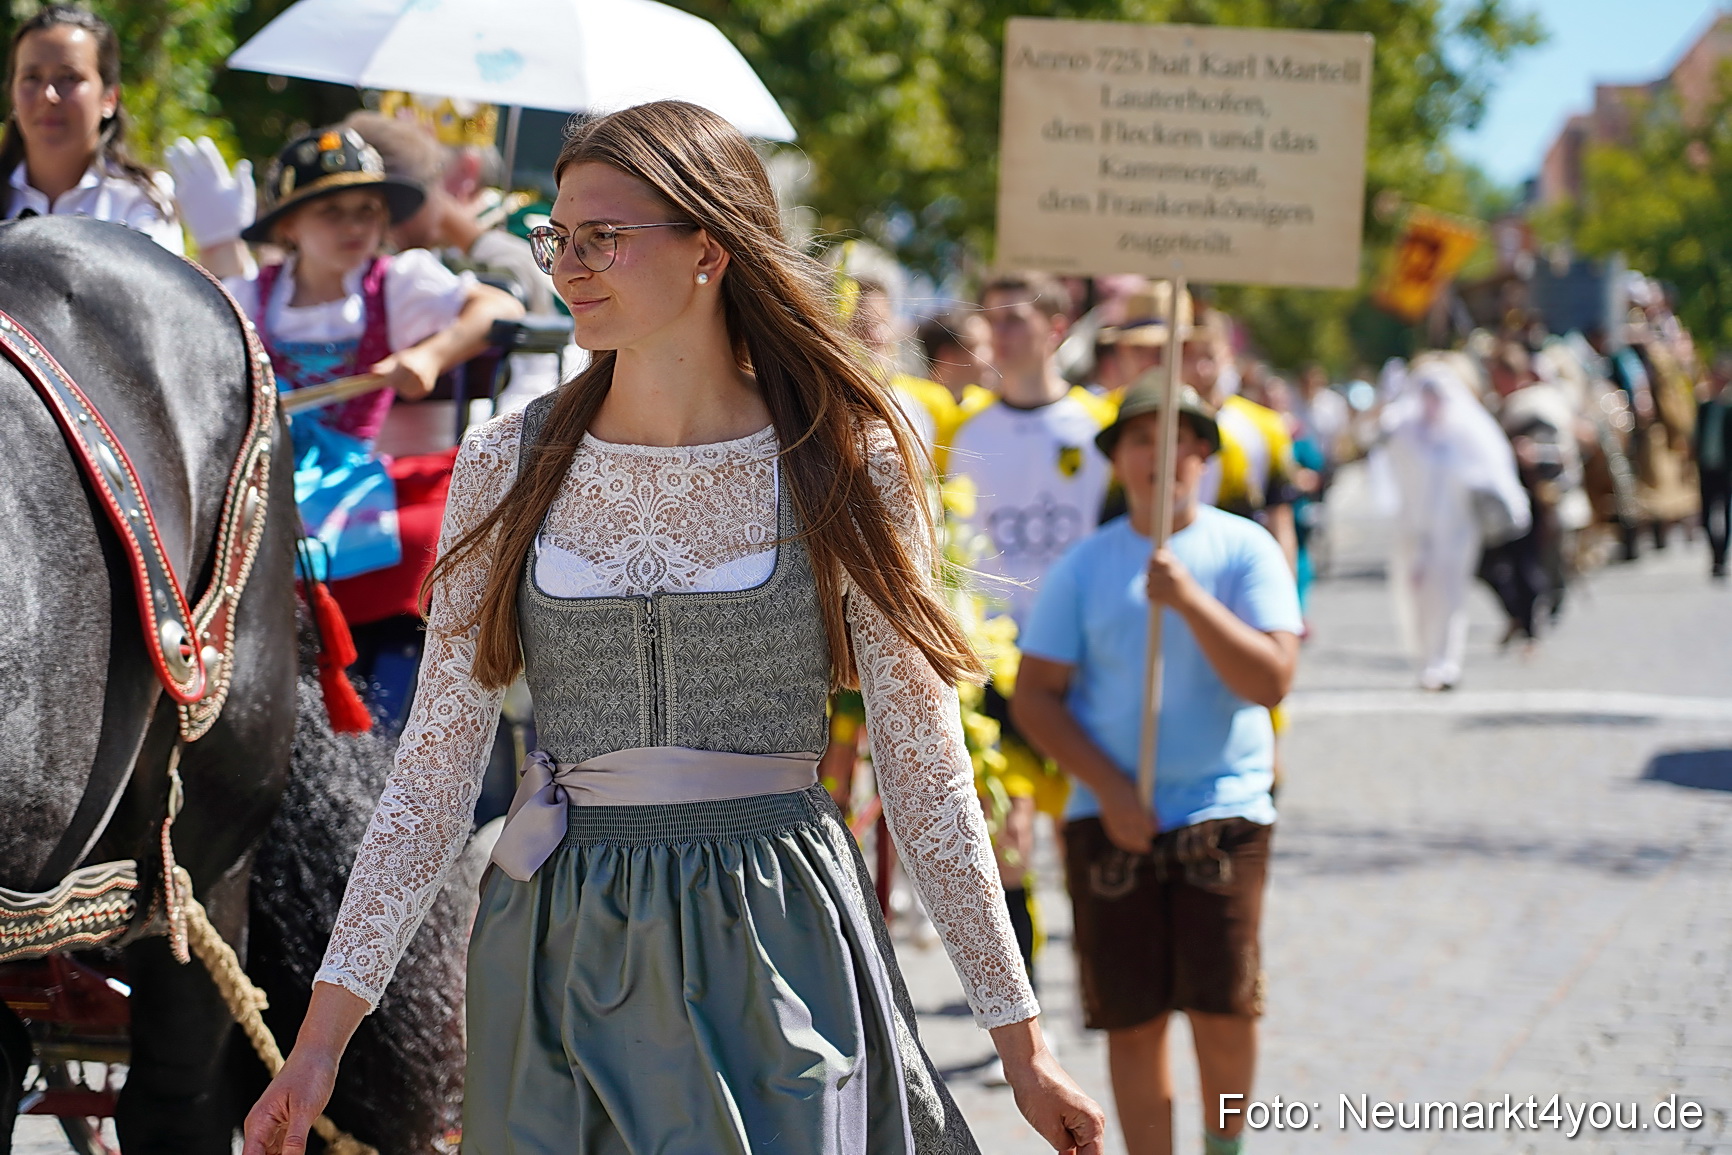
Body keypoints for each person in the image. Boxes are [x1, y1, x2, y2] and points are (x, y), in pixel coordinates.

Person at [241, 101, 1103, 1155]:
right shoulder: (505, 463)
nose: (568, 267)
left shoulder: (843, 457)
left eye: (603, 237)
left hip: (773, 935)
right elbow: (431, 773)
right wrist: (321, 1042)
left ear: (708, 249)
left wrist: (1022, 1044)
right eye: (558, 238)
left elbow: (924, 770)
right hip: (558, 944)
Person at [1011, 379, 1300, 1155]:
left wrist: (1190, 600)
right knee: (1132, 1020)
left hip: (1224, 808)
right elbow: (1035, 697)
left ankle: (1224, 1146)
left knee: (1224, 1005)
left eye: (1177, 437)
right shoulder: (1083, 566)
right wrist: (1108, 787)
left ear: (1203, 454)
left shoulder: (1245, 549)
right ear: (1118, 459)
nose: (1159, 454)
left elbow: (1272, 680)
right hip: (1109, 819)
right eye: (1141, 438)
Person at [950, 270, 1116, 982]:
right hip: (1001, 664)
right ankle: (1026, 997)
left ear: (1056, 327)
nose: (1001, 335)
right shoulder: (969, 433)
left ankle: (1103, 976)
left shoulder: (1101, 427)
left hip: (1086, 658)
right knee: (1007, 837)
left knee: (1085, 831)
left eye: (1016, 319)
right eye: (993, 320)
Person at [1381, 357, 1530, 690]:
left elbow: (1493, 471)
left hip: (1456, 531)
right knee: (1418, 596)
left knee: (1450, 595)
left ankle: (1446, 662)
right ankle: (1426, 658)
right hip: (1414, 531)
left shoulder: (1467, 429)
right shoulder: (1407, 428)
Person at [1, 5, 182, 252]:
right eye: (32, 77)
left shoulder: (141, 198)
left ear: (109, 98)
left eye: (69, 77)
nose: (48, 95)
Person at [1696, 353, 1732, 579]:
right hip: (1707, 466)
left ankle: (1722, 557)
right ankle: (1714, 554)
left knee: (1726, 513)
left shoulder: (1729, 407)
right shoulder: (1705, 406)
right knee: (1706, 515)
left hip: (1726, 469)